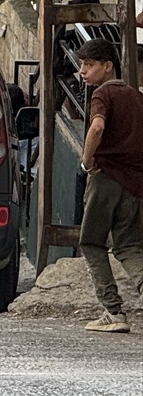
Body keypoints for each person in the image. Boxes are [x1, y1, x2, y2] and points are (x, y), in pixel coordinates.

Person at [74, 38, 143, 333]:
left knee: (91, 242)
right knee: (130, 246)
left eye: (89, 65)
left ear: (107, 66)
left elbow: (98, 126)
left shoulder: (102, 94)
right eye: (81, 65)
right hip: (135, 183)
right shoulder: (136, 97)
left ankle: (113, 311)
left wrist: (86, 160)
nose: (82, 72)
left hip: (105, 178)